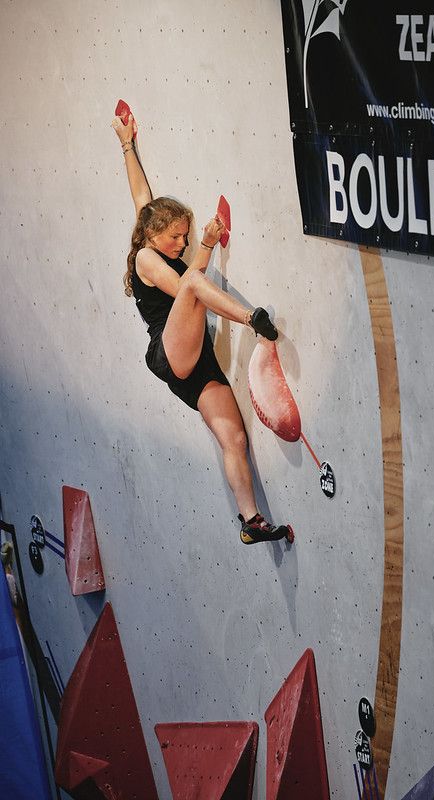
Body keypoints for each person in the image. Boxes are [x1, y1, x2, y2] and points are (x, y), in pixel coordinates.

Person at [112, 111, 289, 544]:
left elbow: (141, 195)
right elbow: (185, 288)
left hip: (193, 359)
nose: (181, 243)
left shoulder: (151, 230)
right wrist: (207, 246)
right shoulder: (145, 259)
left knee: (233, 436)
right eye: (175, 237)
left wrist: (127, 144)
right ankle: (253, 320)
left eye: (185, 236)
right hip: (168, 351)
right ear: (152, 235)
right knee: (193, 280)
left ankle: (251, 520)